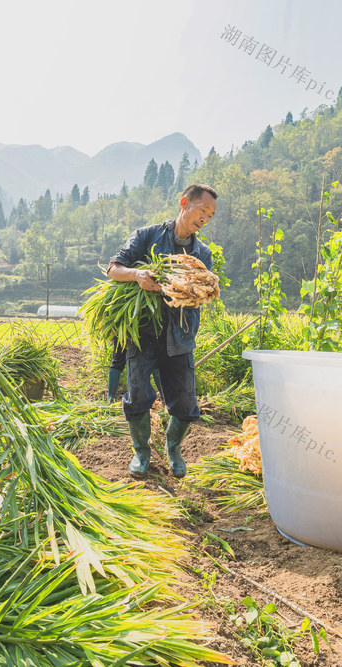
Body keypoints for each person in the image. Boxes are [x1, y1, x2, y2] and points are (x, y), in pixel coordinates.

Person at [106, 183, 218, 478]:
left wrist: (196, 292)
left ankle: (173, 447)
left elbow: (203, 292)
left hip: (180, 337)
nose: (205, 218)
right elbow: (113, 269)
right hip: (142, 334)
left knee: (185, 404)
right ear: (184, 203)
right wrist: (138, 275)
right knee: (138, 396)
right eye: (202, 210)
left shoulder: (202, 254)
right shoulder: (147, 236)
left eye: (210, 215)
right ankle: (141, 453)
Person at [106, 338, 163, 403]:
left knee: (117, 361)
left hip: (122, 332)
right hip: (144, 331)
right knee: (154, 359)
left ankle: (111, 399)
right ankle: (164, 396)